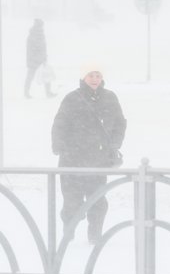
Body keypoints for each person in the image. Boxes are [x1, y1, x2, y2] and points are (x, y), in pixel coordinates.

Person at [51, 64, 127, 244]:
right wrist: (59, 146)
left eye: (98, 75)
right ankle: (68, 236)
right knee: (72, 202)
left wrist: (114, 144)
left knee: (98, 202)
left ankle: (95, 238)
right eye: (90, 75)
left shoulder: (110, 98)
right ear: (83, 78)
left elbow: (120, 123)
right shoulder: (72, 98)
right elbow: (59, 124)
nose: (94, 79)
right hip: (72, 160)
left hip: (97, 161)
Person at [25, 19, 55, 98]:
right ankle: (26, 93)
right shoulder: (32, 35)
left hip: (41, 59)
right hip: (33, 60)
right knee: (30, 76)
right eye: (41, 26)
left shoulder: (41, 34)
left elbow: (43, 47)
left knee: (46, 75)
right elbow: (30, 49)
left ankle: (48, 93)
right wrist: (35, 58)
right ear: (37, 25)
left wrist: (45, 57)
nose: (42, 27)